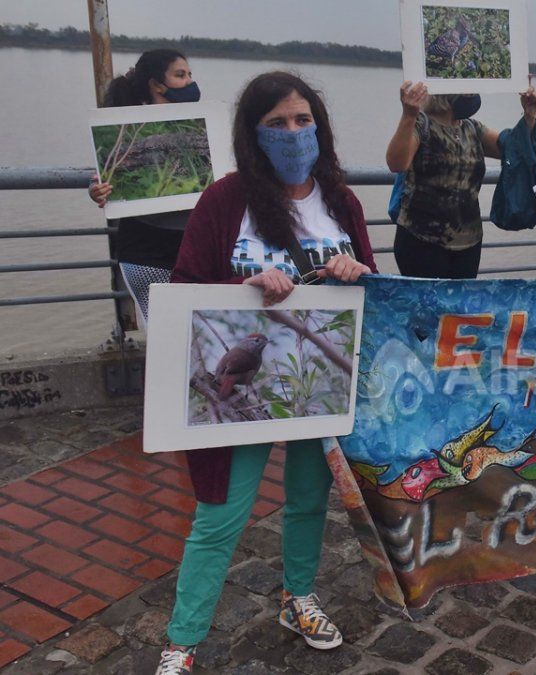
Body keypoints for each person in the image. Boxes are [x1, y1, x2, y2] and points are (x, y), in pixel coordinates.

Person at [159, 72, 377, 675]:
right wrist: (243, 286)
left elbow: (374, 290)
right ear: (253, 134)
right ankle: (183, 642)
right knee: (219, 517)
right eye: (277, 123)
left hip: (317, 387)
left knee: (309, 501)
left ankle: (297, 598)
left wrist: (355, 271)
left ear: (320, 126)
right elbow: (183, 289)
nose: (293, 133)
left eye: (302, 120)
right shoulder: (225, 200)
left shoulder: (341, 201)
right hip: (245, 399)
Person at [87, 49, 202, 322]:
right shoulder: (127, 125)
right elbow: (106, 175)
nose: (189, 82)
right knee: (165, 332)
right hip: (146, 250)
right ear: (156, 84)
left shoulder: (203, 123)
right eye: (180, 75)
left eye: (189, 75)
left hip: (194, 246)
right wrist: (98, 191)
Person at [385, 81, 536, 279]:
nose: (472, 95)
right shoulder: (421, 124)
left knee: (460, 311)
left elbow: (513, 149)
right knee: (427, 310)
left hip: (469, 244)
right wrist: (408, 115)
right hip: (421, 241)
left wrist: (529, 115)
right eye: (467, 89)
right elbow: (396, 163)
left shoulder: (472, 128)